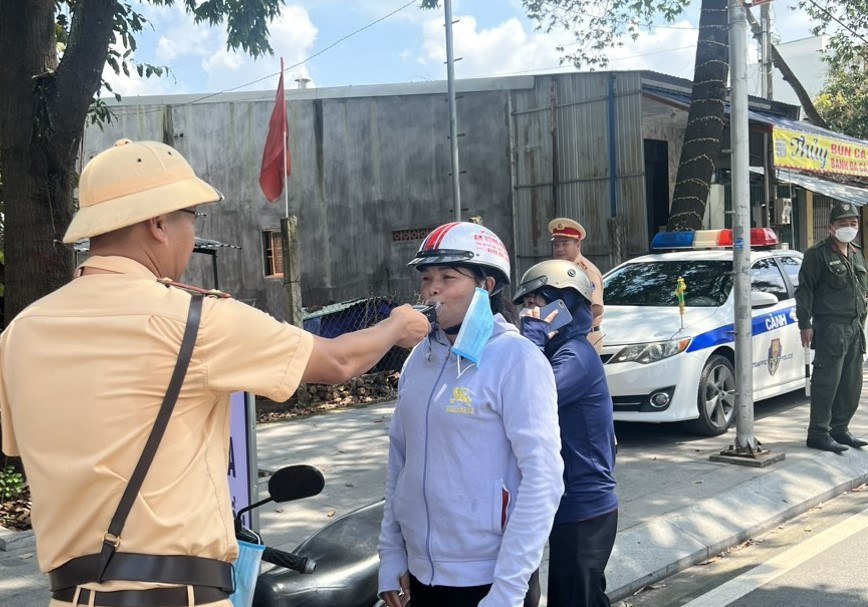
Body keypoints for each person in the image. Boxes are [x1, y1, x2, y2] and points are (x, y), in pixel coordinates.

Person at [0, 139, 430, 607]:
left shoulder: (21, 332)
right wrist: (396, 326)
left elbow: (31, 447)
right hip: (179, 596)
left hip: (69, 596)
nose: (191, 233)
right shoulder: (196, 321)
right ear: (158, 223)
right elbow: (337, 361)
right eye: (192, 217)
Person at [377, 222, 564, 607]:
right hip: (420, 575)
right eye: (426, 278)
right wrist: (392, 554)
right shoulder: (419, 359)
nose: (432, 289)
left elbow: (543, 478)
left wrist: (508, 588)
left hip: (491, 580)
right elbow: (400, 461)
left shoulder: (517, 359)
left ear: (486, 286)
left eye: (448, 277)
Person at [513, 259, 618, 607]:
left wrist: (531, 342)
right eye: (526, 305)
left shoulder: (575, 355)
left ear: (566, 304)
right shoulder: (559, 349)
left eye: (537, 303)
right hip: (566, 503)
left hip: (584, 506)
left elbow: (530, 399)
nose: (530, 313)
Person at [796, 203, 868, 453]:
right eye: (843, 223)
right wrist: (804, 324)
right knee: (827, 382)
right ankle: (818, 432)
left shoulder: (857, 252)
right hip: (830, 327)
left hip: (854, 327)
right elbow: (805, 291)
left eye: (853, 223)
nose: (849, 227)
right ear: (831, 227)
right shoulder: (817, 254)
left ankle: (840, 428)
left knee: (851, 383)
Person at [548, 218, 605, 354]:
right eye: (556, 244)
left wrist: (568, 321)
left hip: (584, 336)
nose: (560, 249)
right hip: (563, 337)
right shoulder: (556, 269)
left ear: (578, 244)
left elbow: (596, 308)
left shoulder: (586, 271)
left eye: (565, 244)